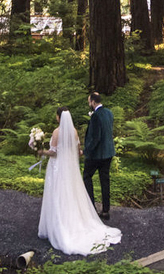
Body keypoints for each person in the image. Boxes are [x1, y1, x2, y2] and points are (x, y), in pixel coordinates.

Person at [37, 108, 123, 255]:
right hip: (71, 168)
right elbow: (78, 151)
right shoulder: (74, 131)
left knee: (58, 195)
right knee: (73, 194)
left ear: (58, 117)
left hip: (58, 168)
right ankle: (75, 222)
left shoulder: (56, 132)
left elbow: (54, 152)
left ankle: (59, 226)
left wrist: (41, 151)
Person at [83, 92, 115, 220]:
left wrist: (86, 151)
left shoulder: (96, 116)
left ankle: (92, 208)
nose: (89, 104)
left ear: (93, 102)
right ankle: (106, 210)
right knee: (105, 181)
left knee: (86, 176)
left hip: (97, 154)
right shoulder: (109, 113)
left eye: (89, 102)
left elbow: (96, 137)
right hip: (109, 152)